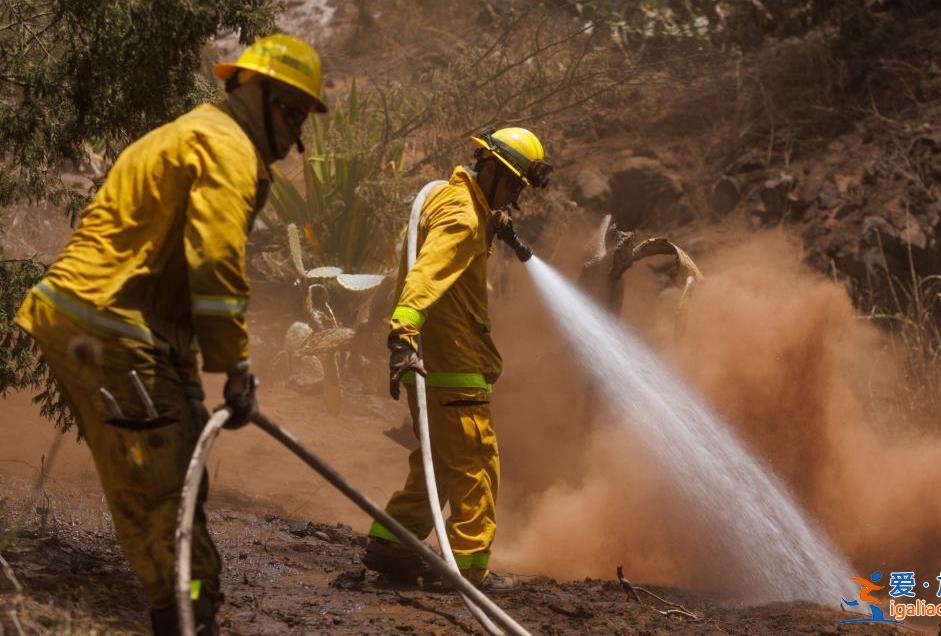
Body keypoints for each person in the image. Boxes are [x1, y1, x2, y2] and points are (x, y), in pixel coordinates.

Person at [14, 34, 327, 635]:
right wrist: (234, 368)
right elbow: (212, 260)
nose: (292, 137)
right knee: (159, 489)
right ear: (256, 94)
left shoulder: (191, 132)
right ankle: (185, 617)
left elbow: (162, 264)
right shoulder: (227, 147)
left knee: (179, 465)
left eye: (300, 120)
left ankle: (191, 603)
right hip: (108, 325)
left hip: (117, 323)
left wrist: (188, 375)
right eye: (290, 113)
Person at [362, 126, 552, 591]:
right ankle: (464, 571)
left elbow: (435, 243)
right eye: (510, 185)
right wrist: (403, 334)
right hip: (454, 369)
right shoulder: (463, 219)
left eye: (518, 191)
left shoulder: (448, 199)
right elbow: (427, 275)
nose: (512, 198)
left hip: (437, 367)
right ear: (488, 167)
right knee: (476, 469)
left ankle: (392, 546)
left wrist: (492, 221)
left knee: (439, 464)